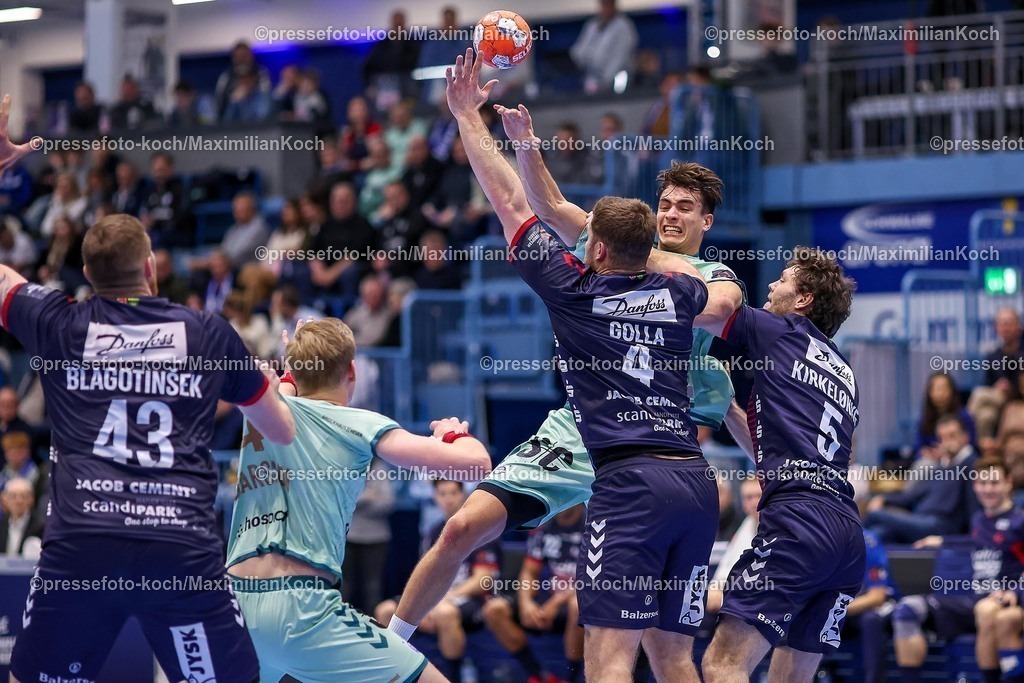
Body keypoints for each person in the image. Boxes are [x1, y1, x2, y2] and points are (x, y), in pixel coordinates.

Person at [388, 57, 750, 681]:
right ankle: (391, 644)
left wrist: (469, 119)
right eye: (662, 204)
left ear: (705, 222)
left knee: (640, 650)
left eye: (684, 208)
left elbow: (724, 340)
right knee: (462, 527)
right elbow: (548, 202)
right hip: (591, 432)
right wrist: (525, 144)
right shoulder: (656, 273)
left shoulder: (707, 280)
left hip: (654, 448)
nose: (670, 214)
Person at [5, 212, 295, 682]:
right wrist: (274, 385)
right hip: (178, 552)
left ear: (88, 277)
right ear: (150, 268)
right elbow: (280, 431)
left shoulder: (57, 323)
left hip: (82, 549)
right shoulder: (207, 333)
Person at [226, 317, 491, 682]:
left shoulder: (261, 412)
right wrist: (452, 435)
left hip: (235, 606)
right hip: (302, 609)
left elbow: (287, 389)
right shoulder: (359, 424)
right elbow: (477, 465)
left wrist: (293, 366)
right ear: (352, 371)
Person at [697, 247, 863, 683]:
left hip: (798, 523)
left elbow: (713, 309)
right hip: (845, 534)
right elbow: (773, 450)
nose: (771, 285)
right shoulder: (844, 371)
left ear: (803, 300)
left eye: (783, 279)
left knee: (722, 665)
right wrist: (727, 407)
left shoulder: (782, 331)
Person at [895, 457, 1024, 683]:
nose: (988, 489)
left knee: (985, 610)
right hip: (973, 599)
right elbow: (977, 541)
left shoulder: (1019, 521)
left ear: (1008, 483)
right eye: (982, 483)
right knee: (907, 609)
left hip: (1005, 600)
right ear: (974, 485)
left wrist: (1015, 591)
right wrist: (941, 540)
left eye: (994, 483)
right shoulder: (978, 520)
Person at [376, 479, 501, 681]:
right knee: (385, 610)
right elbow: (426, 575)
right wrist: (422, 603)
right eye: (443, 494)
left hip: (468, 600)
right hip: (437, 597)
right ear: (435, 497)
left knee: (444, 612)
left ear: (464, 495)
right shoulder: (433, 531)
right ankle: (395, 674)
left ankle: (453, 676)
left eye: (453, 493)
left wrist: (445, 598)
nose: (448, 499)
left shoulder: (480, 528)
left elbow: (482, 579)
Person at [483, 504, 586, 683]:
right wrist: (526, 604)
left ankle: (572, 677)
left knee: (576, 606)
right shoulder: (544, 525)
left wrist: (557, 602)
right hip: (550, 594)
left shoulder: (593, 524)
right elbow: (530, 571)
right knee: (494, 609)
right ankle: (539, 676)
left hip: (582, 596)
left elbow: (597, 579)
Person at [707, 478, 762, 614]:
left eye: (759, 496)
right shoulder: (748, 524)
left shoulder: (782, 526)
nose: (754, 502)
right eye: (748, 497)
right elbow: (727, 567)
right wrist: (716, 588)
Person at [570, 0, 638, 93]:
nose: (606, 9)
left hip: (617, 79)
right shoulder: (592, 25)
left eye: (608, 5)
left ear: (614, 6)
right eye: (603, 5)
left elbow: (620, 57)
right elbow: (578, 51)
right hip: (593, 77)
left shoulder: (624, 27)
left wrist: (606, 80)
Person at [0, 477, 44, 559]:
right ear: (5, 499)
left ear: (31, 499)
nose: (19, 501)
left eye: (23, 496)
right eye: (13, 496)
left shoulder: (41, 527)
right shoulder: (1, 524)